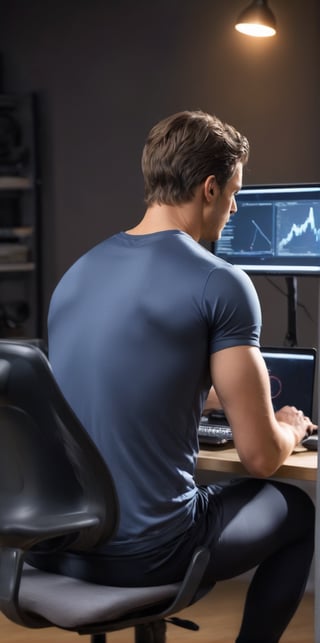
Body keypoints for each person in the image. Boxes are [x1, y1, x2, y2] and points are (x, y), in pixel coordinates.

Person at [30, 110, 316, 642]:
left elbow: (95, 389)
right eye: (234, 193)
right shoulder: (221, 283)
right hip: (149, 555)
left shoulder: (77, 274)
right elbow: (259, 457)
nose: (234, 208)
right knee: (297, 510)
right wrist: (292, 430)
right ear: (209, 188)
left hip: (57, 548)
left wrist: (199, 398)